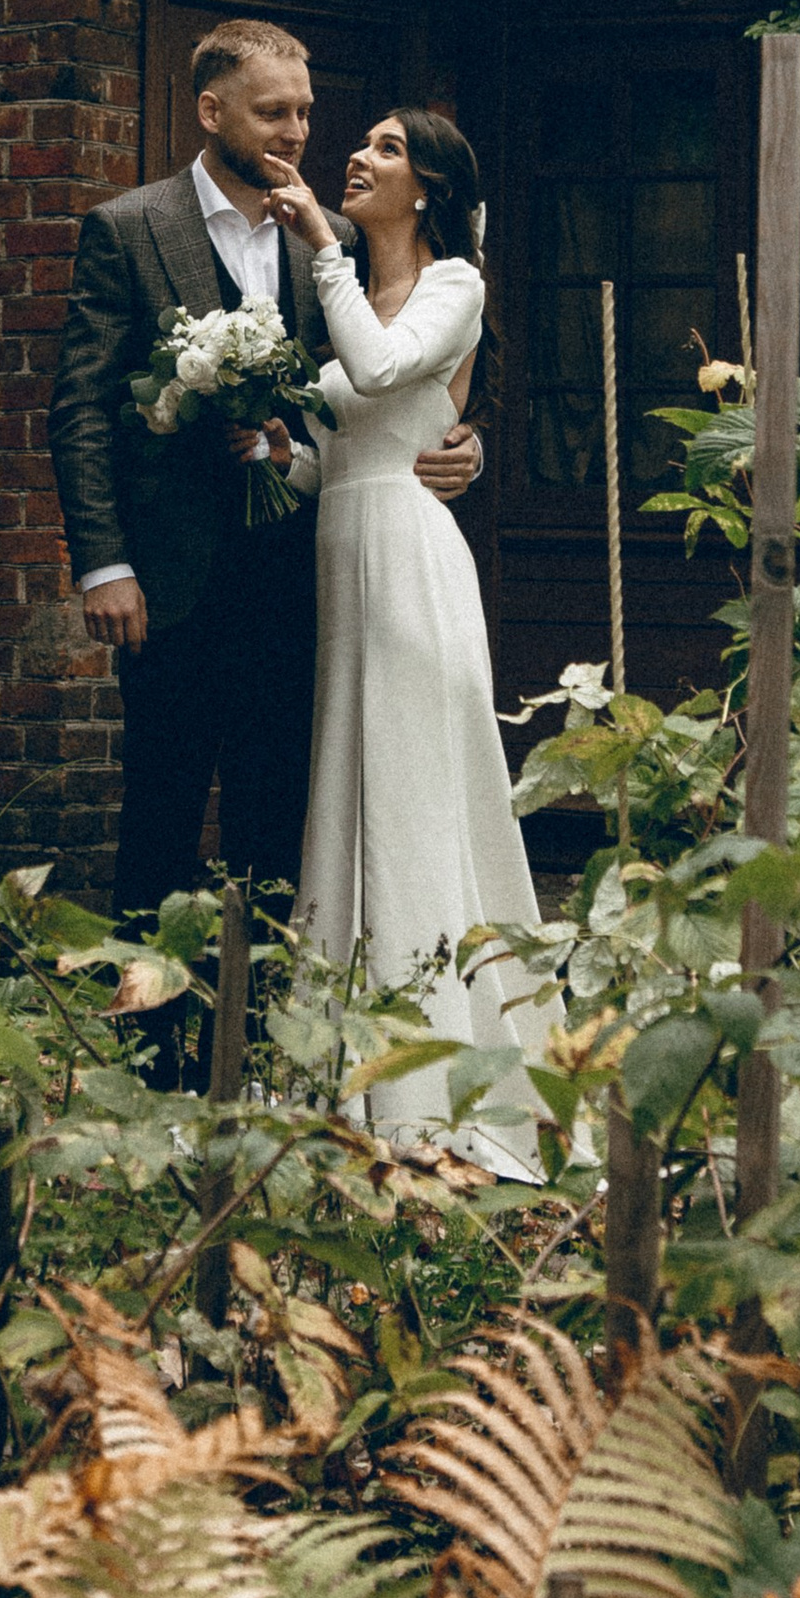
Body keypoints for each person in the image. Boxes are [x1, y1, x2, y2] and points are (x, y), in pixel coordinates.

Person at [48, 19, 484, 942]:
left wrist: (459, 441)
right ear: (211, 112)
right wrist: (103, 565)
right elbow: (81, 410)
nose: (295, 134)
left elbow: (395, 383)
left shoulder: (334, 246)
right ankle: (150, 1054)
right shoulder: (127, 229)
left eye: (305, 113)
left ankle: (257, 1045)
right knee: (160, 814)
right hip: (170, 580)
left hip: (301, 578)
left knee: (278, 821)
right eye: (272, 112)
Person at [261, 107, 554, 1161]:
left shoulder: (452, 288)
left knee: (418, 798)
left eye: (385, 148)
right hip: (344, 557)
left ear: (425, 186)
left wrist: (326, 253)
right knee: (347, 793)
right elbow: (332, 453)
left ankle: (435, 1091)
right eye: (365, 142)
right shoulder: (344, 295)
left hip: (413, 567)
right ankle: (341, 1075)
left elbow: (385, 375)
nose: (356, 155)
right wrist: (266, 447)